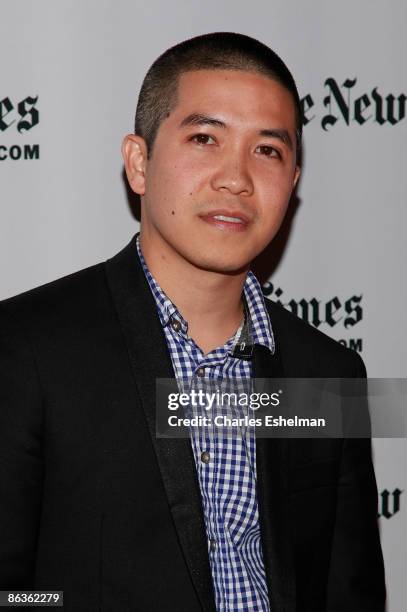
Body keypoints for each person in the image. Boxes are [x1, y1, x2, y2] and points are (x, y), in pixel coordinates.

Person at [0, 32, 385, 611]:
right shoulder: (27, 348)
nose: (236, 178)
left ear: (293, 184)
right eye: (205, 138)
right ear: (139, 161)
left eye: (268, 150)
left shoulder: (329, 373)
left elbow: (345, 592)